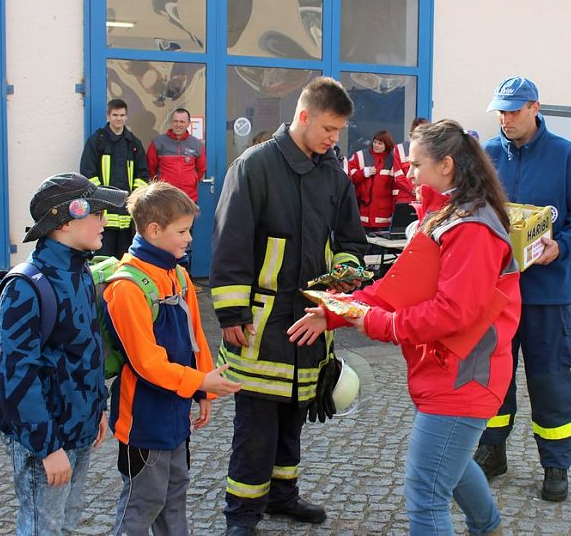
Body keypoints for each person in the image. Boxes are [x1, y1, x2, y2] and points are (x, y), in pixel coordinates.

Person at [287, 119, 521, 535]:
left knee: (426, 494)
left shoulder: (470, 227)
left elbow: (453, 313)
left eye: (415, 165)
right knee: (453, 462)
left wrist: (379, 323)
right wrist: (337, 311)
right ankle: (489, 528)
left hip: (465, 374)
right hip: (449, 369)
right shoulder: (446, 216)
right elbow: (397, 289)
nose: (406, 173)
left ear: (446, 165)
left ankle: (488, 527)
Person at [210, 76, 367, 536]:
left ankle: (282, 496)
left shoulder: (333, 173)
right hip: (260, 321)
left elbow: (350, 240)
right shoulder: (254, 166)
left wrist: (344, 279)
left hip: (309, 318)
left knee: (294, 413)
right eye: (328, 129)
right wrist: (231, 313)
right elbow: (230, 243)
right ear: (303, 116)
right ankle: (241, 515)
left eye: (339, 132)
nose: (334, 140)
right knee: (256, 424)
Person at [474, 76, 571, 502]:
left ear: (535, 107)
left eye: (513, 110)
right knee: (495, 377)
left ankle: (555, 466)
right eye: (501, 111)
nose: (506, 119)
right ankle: (493, 453)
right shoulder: (486, 156)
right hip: (496, 294)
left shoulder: (566, 156)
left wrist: (560, 246)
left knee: (549, 381)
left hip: (546, 295)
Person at [104, 181, 242, 535]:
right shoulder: (126, 287)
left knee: (175, 493)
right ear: (153, 230)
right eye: (181, 231)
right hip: (143, 418)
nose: (189, 239)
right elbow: (146, 362)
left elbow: (196, 336)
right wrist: (199, 382)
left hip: (176, 410)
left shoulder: (178, 273)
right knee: (143, 500)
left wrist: (203, 391)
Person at [0, 172, 128, 535]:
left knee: (66, 523)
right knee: (43, 527)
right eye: (97, 212)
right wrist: (47, 447)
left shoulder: (81, 272)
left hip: (79, 428)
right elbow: (18, 375)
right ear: (66, 220)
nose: (105, 220)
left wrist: (96, 409)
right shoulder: (26, 287)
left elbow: (87, 352)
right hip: (47, 439)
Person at [80, 98, 149, 260]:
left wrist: (134, 197)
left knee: (126, 259)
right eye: (115, 115)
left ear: (126, 117)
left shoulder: (133, 143)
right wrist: (102, 196)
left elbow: (142, 174)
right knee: (102, 259)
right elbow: (87, 172)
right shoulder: (97, 141)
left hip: (127, 216)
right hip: (103, 215)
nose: (119, 118)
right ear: (108, 116)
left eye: (122, 115)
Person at [146, 108, 206, 204]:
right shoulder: (158, 143)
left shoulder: (196, 144)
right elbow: (150, 168)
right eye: (175, 121)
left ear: (188, 123)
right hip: (165, 198)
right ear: (172, 123)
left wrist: (191, 180)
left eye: (182, 122)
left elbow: (201, 169)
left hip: (188, 198)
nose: (178, 125)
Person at [348, 129, 397, 231]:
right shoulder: (360, 156)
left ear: (387, 145)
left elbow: (395, 189)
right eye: (375, 142)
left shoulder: (393, 160)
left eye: (380, 143)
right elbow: (349, 176)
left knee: (381, 246)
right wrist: (364, 173)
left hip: (383, 218)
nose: (376, 145)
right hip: (362, 215)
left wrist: (395, 212)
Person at [391, 116, 429, 204]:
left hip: (426, 198)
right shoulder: (400, 149)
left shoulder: (433, 149)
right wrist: (413, 189)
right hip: (405, 198)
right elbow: (398, 176)